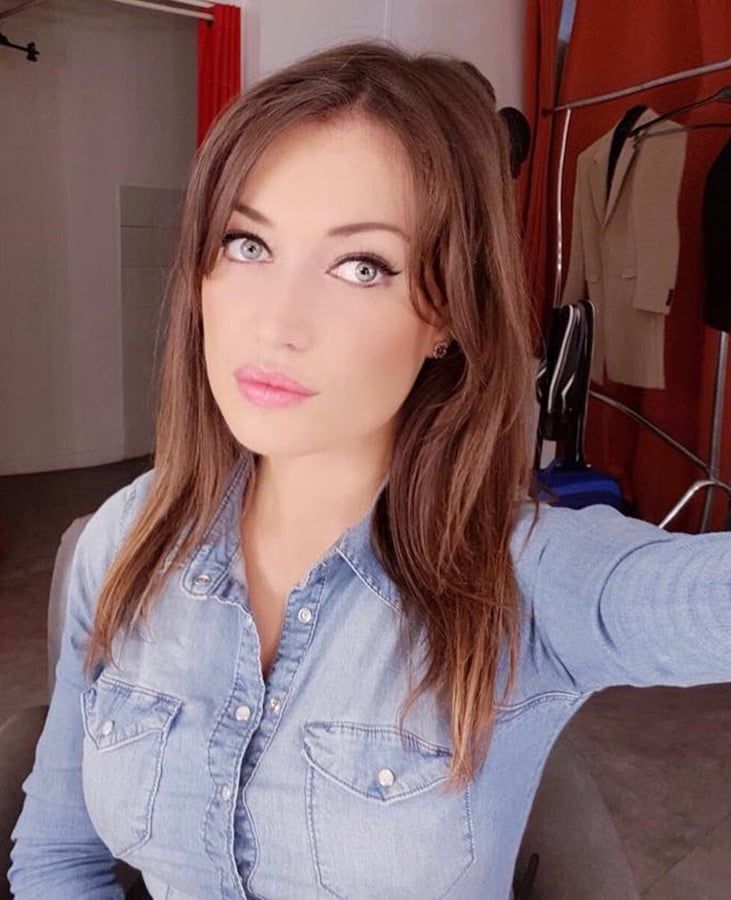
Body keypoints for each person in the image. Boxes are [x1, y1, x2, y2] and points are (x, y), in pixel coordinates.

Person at [8, 38, 731, 900]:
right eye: (246, 244)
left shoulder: (526, 578)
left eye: (361, 267)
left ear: (446, 316)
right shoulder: (125, 538)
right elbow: (57, 855)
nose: (277, 323)